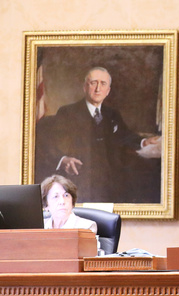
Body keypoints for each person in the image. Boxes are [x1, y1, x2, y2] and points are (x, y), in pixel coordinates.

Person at [46, 67, 162, 203]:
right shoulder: (67, 112)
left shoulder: (112, 114)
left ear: (108, 91)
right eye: (93, 83)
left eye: (103, 84)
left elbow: (126, 135)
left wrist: (144, 142)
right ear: (85, 87)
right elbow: (53, 143)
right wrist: (64, 159)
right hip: (81, 180)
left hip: (111, 182)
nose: (98, 89)